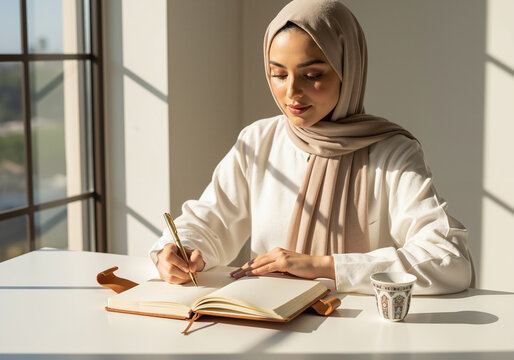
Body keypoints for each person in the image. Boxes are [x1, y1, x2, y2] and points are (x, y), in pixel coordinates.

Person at [149, 0, 474, 295]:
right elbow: (210, 221)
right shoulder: (258, 141)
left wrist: (324, 266)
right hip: (266, 323)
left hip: (358, 331)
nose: (292, 92)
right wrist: (180, 250)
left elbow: (449, 259)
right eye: (278, 74)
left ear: (348, 70)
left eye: (312, 75)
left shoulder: (391, 153)